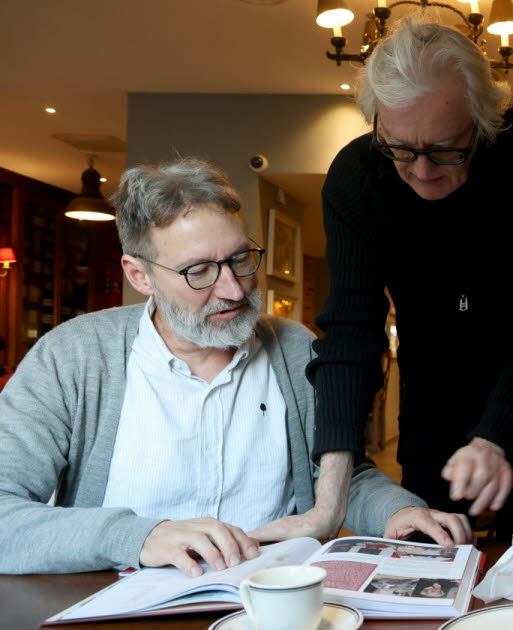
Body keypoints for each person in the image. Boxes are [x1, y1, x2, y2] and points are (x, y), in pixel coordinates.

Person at [0, 158, 471, 576]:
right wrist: (139, 537)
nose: (232, 288)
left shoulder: (292, 347)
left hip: (272, 602)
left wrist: (396, 511)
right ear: (138, 275)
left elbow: (343, 471)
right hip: (124, 606)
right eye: (199, 271)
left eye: (241, 259)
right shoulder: (72, 356)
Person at [307, 17, 513, 542]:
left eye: (447, 149)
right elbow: (349, 332)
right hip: (431, 411)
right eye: (401, 149)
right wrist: (329, 501)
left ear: (483, 122)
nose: (423, 171)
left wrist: (494, 438)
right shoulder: (357, 176)